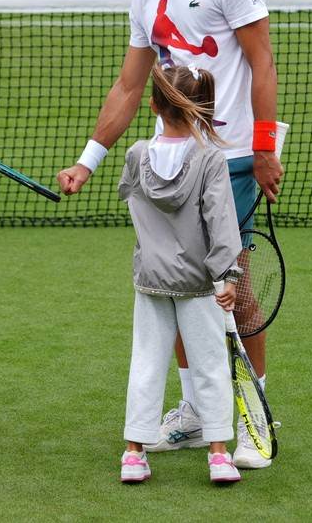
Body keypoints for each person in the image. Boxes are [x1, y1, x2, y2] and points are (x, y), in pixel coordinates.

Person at [57, 0, 283, 469]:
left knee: (234, 284)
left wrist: (263, 148)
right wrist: (88, 159)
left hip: (228, 158)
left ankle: (255, 414)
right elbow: (130, 86)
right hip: (171, 164)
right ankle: (194, 411)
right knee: (180, 281)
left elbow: (262, 61)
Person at [119, 65, 245, 485]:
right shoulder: (210, 159)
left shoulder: (135, 154)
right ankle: (219, 454)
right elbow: (222, 221)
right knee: (209, 366)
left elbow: (133, 202)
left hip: (151, 278)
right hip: (198, 284)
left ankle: (135, 454)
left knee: (146, 363)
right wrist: (227, 275)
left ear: (153, 105)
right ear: (200, 107)